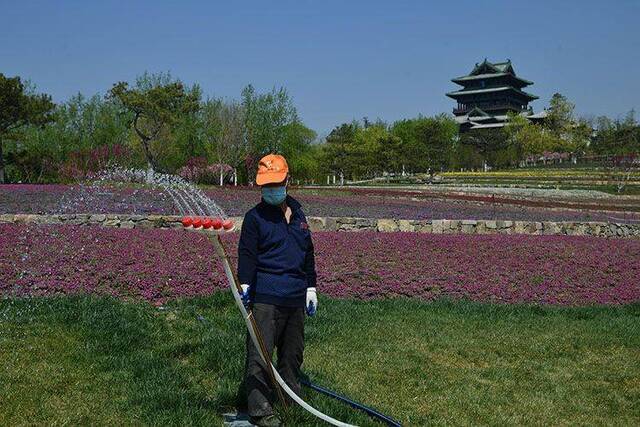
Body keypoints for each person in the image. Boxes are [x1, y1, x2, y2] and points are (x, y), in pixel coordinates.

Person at [237, 153, 318, 427]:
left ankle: (289, 399)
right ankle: (260, 408)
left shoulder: (299, 214)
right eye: (266, 185)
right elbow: (247, 255)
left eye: (276, 183)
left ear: (287, 181)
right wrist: (245, 283)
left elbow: (308, 253)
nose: (271, 190)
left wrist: (311, 287)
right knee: (260, 354)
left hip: (295, 296)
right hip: (266, 298)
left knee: (292, 353)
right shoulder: (254, 218)